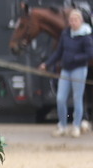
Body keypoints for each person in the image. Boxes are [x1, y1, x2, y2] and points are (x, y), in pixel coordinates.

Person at [39, 8, 93, 137]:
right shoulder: (65, 34)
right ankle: (62, 126)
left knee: (77, 98)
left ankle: (76, 126)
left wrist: (75, 58)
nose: (73, 23)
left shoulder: (85, 36)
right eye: (71, 20)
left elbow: (90, 54)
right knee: (60, 98)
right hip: (66, 70)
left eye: (75, 20)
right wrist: (47, 63)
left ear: (80, 21)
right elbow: (59, 52)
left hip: (79, 70)